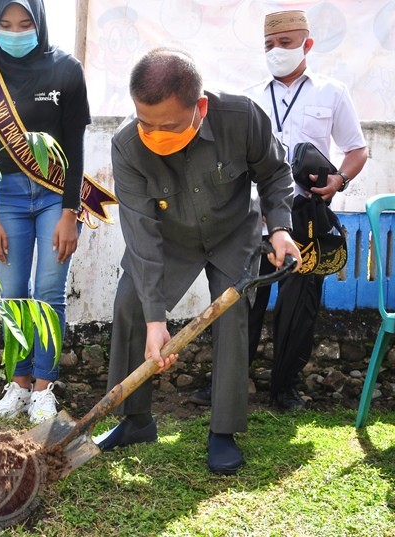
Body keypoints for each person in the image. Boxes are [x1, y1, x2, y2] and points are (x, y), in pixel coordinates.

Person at [93, 48, 301, 475]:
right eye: (144, 121)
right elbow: (141, 235)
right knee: (131, 303)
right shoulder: (128, 146)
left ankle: (222, 432)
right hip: (170, 241)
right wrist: (156, 320)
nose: (153, 134)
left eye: (167, 125)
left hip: (232, 234)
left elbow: (276, 173)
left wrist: (279, 227)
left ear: (199, 107)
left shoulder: (242, 117)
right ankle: (135, 421)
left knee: (231, 319)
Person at [0, 0, 90, 424]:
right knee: (15, 294)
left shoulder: (67, 70)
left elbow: (74, 148)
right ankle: (18, 384)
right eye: (6, 24)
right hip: (7, 199)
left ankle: (43, 388)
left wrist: (71, 213)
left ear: (39, 22)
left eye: (25, 23)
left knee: (49, 294)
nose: (16, 31)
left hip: (55, 196)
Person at [243, 10, 368, 411]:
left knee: (299, 306)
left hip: (307, 217)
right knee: (245, 301)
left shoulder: (332, 92)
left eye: (284, 43)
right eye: (268, 45)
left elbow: (357, 149)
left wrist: (339, 182)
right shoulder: (250, 97)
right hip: (256, 213)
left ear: (307, 45)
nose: (275, 52)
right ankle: (226, 385)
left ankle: (285, 389)